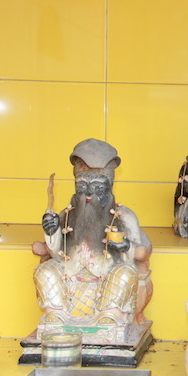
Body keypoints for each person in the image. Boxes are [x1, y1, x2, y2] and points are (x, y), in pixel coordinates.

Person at [32, 139, 152, 334]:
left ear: (109, 186)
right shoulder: (68, 214)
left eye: (96, 186)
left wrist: (126, 246)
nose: (88, 193)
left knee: (125, 274)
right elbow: (56, 253)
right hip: (70, 274)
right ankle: (56, 315)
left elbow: (141, 252)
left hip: (108, 276)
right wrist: (52, 232)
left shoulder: (123, 216)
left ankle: (110, 316)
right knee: (44, 271)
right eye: (81, 185)